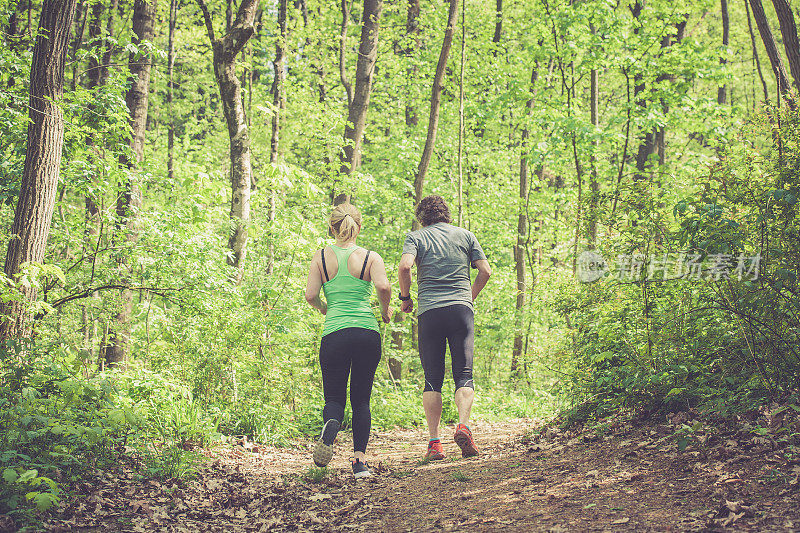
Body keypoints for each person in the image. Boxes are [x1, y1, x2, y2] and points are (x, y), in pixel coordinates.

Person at [398, 195, 492, 460]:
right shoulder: (465, 235)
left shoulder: (416, 237)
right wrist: (468, 296)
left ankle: (435, 444)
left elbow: (405, 266)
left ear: (422, 217)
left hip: (430, 311)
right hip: (461, 310)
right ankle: (463, 425)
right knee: (464, 373)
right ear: (446, 214)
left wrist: (405, 298)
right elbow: (485, 271)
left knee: (432, 378)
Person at [304, 202, 392, 478]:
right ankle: (359, 462)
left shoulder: (320, 257)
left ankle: (332, 421)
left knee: (334, 396)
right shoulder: (370, 257)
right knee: (361, 398)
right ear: (359, 227)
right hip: (366, 331)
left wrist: (323, 307)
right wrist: (385, 309)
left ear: (332, 227)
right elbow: (383, 286)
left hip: (334, 333)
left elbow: (309, 295)